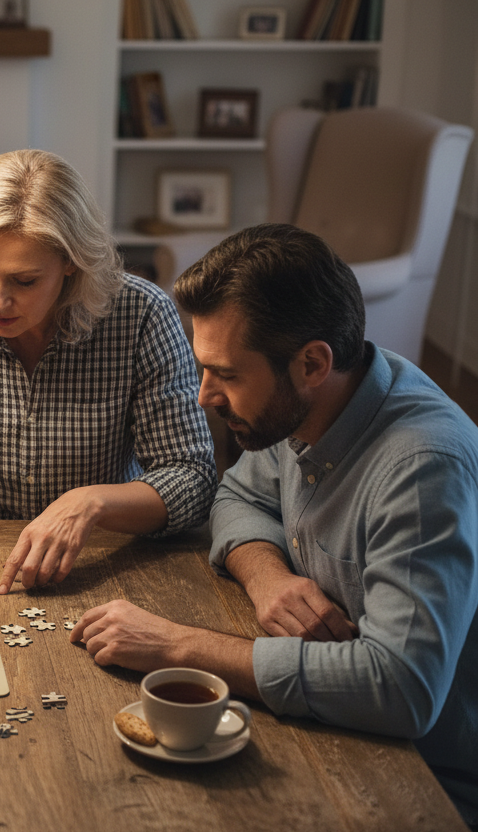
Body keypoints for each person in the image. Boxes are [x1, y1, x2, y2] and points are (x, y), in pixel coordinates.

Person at [70, 224, 478, 827]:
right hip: (327, 725)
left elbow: (400, 688)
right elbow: (236, 494)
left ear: (312, 363)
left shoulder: (422, 469)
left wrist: (177, 647)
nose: (205, 397)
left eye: (228, 375)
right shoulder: (312, 403)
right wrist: (267, 577)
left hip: (423, 782)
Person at [0, 149, 216, 590]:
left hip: (100, 554)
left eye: (24, 280)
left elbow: (192, 477)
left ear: (70, 263)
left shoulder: (141, 314)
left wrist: (91, 504)